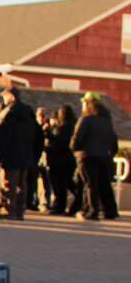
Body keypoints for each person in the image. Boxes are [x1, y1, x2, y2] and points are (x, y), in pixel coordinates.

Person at [0, 83, 37, 221]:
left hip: (11, 155)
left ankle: (8, 210)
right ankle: (20, 211)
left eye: (5, 96)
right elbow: (37, 135)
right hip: (26, 155)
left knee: (8, 183)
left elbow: (3, 137)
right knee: (22, 184)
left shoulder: (8, 114)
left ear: (10, 96)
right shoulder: (29, 113)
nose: (4, 100)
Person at [71, 91, 119, 220]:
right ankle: (110, 211)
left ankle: (92, 211)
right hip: (104, 156)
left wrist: (76, 150)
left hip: (87, 156)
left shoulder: (86, 119)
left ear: (87, 104)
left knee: (90, 184)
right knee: (104, 183)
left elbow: (76, 139)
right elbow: (113, 140)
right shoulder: (107, 120)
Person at [45, 105, 76, 215]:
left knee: (59, 186)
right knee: (65, 184)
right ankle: (64, 205)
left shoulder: (62, 128)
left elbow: (59, 144)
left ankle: (59, 207)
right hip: (70, 160)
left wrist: (48, 135)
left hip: (59, 161)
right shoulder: (73, 126)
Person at [33, 108, 52, 211]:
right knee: (34, 180)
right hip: (37, 158)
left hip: (45, 158)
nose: (41, 118)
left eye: (43, 116)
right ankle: (34, 200)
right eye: (39, 115)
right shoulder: (34, 127)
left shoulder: (49, 128)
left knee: (46, 182)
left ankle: (46, 201)